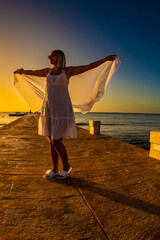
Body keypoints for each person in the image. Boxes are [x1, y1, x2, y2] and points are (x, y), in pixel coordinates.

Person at [14, 50, 117, 179]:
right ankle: (54, 168)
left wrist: (105, 59)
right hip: (49, 108)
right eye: (49, 56)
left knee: (56, 141)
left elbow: (88, 66)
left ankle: (66, 166)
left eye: (52, 55)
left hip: (62, 108)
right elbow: (32, 72)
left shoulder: (67, 71)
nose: (49, 57)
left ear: (59, 57)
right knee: (51, 141)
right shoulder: (47, 71)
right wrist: (21, 71)